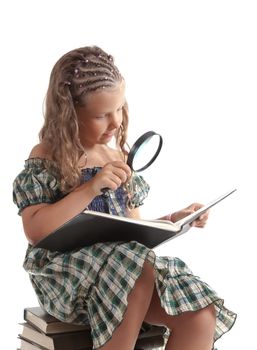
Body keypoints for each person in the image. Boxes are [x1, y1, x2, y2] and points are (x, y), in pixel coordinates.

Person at [13, 46, 236, 350]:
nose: (116, 122)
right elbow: (36, 231)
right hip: (66, 275)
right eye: (102, 115)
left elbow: (132, 230)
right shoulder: (49, 158)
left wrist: (174, 220)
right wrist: (89, 189)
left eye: (119, 108)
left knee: (198, 311)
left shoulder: (118, 158)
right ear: (69, 112)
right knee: (137, 268)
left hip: (124, 270)